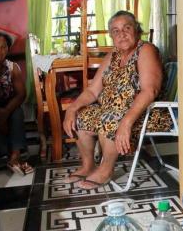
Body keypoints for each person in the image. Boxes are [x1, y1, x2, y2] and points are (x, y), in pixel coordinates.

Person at [63, 10, 171, 190]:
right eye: (115, 31)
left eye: (126, 28)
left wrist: (126, 122)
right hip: (114, 112)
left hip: (147, 112)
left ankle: (105, 170)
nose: (121, 34)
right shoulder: (112, 56)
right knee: (82, 115)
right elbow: (92, 91)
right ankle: (88, 165)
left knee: (111, 117)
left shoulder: (145, 50)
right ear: (111, 36)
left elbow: (149, 90)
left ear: (136, 30)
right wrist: (72, 109)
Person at [0, 32, 33, 175]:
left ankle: (15, 156)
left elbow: (21, 94)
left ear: (8, 50)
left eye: (4, 47)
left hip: (9, 104)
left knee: (17, 112)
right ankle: (7, 152)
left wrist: (6, 112)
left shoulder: (13, 67)